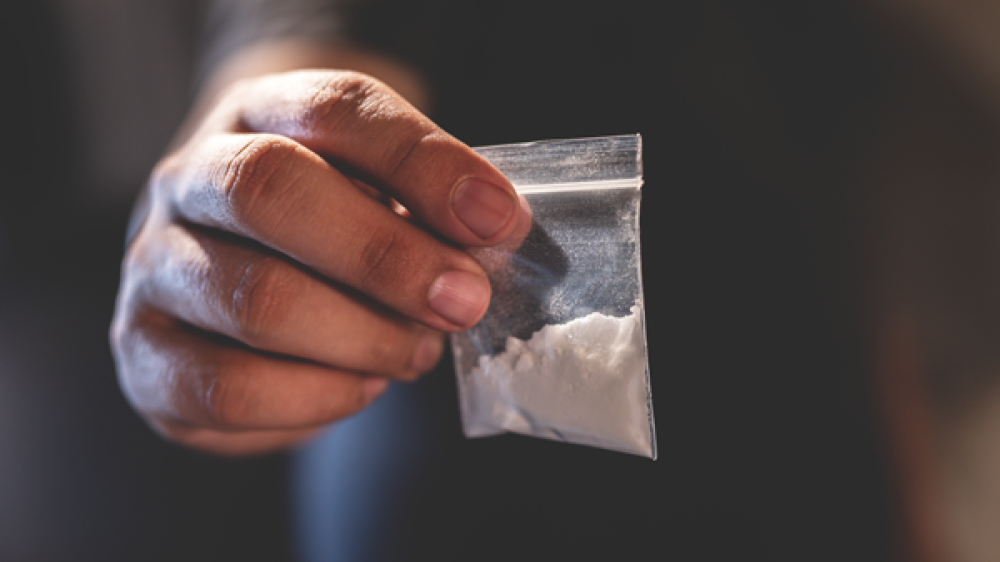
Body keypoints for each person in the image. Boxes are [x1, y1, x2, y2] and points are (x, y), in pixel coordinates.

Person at [111, 0, 919, 559]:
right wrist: (238, 210)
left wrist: (899, 482)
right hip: (485, 516)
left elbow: (831, 188)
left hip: (817, 473)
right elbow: (308, 48)